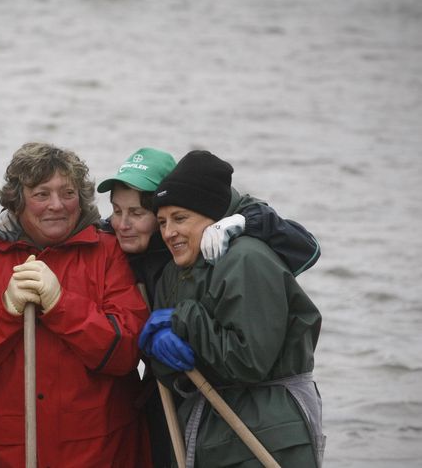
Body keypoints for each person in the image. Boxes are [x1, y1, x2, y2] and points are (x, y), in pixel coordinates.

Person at [0, 142, 152, 467]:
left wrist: (60, 304)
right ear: (17, 201)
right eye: (41, 194)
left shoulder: (107, 252)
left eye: (68, 192)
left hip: (99, 452)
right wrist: (4, 313)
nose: (57, 205)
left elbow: (128, 350)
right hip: (7, 453)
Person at [97, 147, 322, 467]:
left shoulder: (244, 255)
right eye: (163, 221)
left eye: (179, 218)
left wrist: (181, 321)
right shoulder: (173, 265)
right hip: (208, 428)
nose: (123, 224)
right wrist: (156, 353)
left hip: (265, 430)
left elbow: (249, 360)